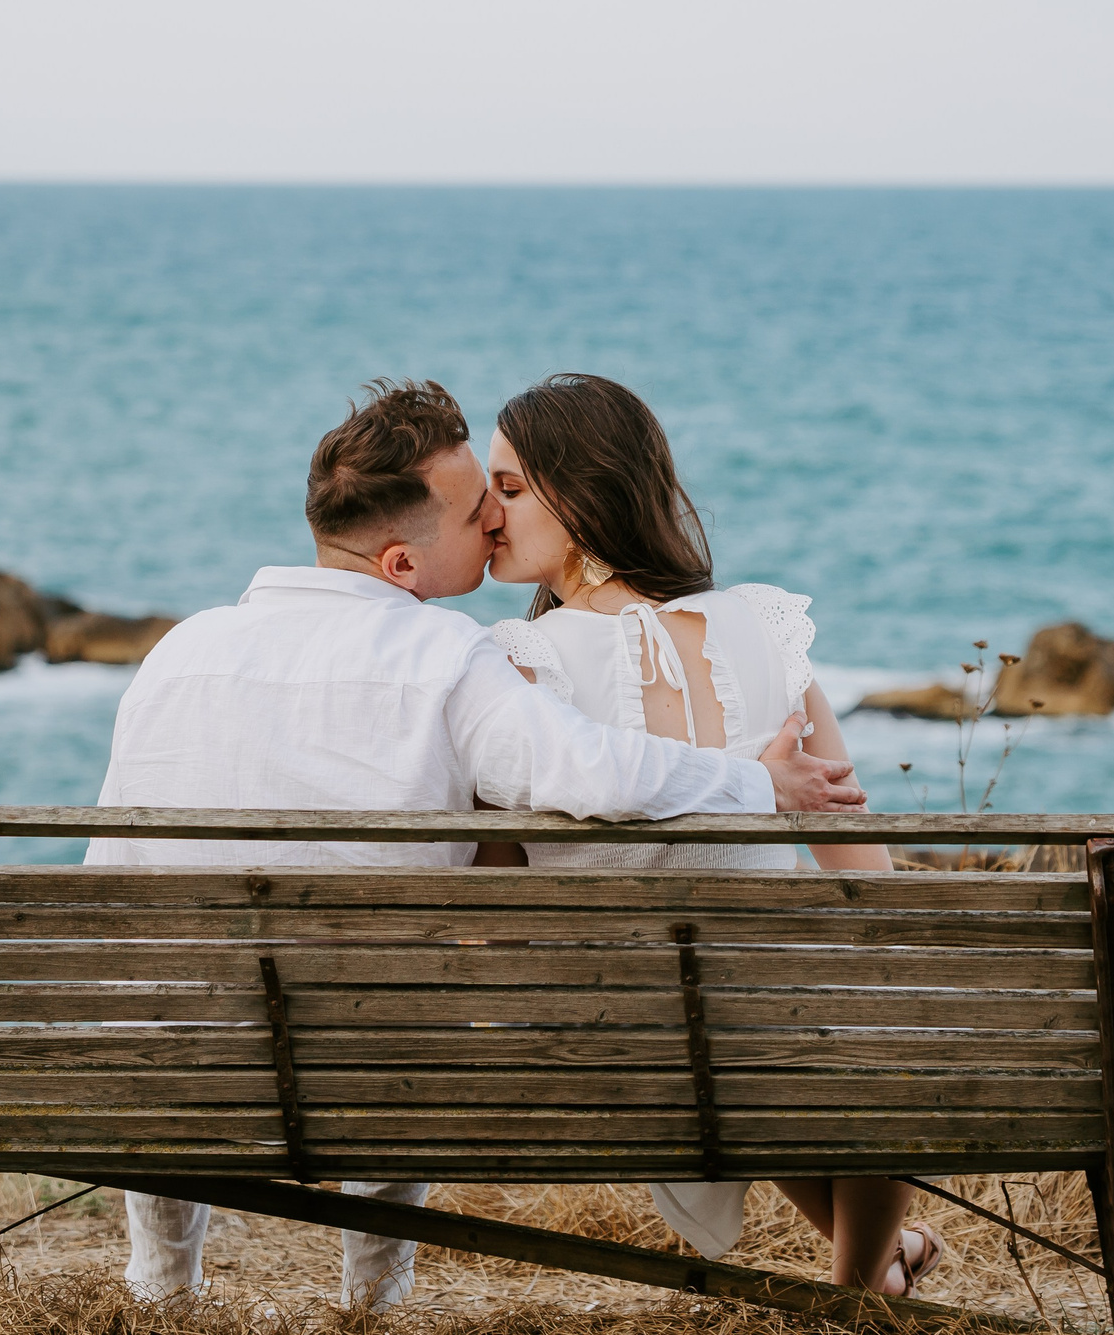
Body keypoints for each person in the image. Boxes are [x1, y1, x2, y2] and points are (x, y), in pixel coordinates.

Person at [87, 379, 871, 1308]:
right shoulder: (446, 661)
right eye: (475, 507)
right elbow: (596, 770)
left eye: (504, 496)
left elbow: (114, 874)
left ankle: (161, 1285)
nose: (493, 521)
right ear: (401, 563)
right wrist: (757, 784)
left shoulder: (179, 649)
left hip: (167, 1065)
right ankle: (374, 1300)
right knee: (390, 987)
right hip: (381, 1072)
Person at [474, 372, 944, 1298]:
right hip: (779, 1031)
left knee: (730, 1021)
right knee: (799, 1010)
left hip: (631, 1046)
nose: (489, 514)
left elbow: (496, 894)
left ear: (581, 492)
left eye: (512, 488)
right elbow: (864, 869)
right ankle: (861, 1286)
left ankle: (859, 1293)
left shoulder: (514, 663)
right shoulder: (767, 631)